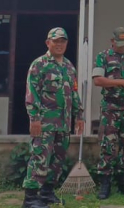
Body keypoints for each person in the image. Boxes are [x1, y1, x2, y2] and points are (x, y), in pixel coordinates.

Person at [22, 27, 84, 208]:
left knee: (57, 160)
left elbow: (73, 93)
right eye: (55, 41)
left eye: (62, 41)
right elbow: (31, 93)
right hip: (44, 123)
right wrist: (34, 118)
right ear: (48, 43)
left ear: (66, 44)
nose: (59, 44)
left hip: (63, 124)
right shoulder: (39, 64)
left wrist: (79, 116)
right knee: (40, 158)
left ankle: (47, 193)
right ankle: (31, 198)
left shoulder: (68, 66)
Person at [92, 27, 124, 200]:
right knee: (108, 146)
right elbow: (98, 80)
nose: (123, 47)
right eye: (120, 44)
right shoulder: (103, 56)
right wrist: (121, 82)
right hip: (111, 109)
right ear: (112, 41)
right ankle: (105, 183)